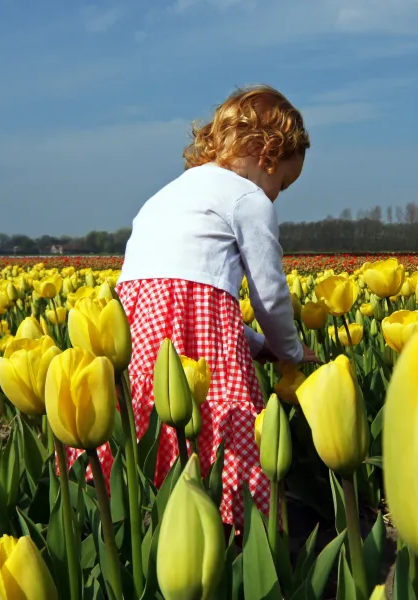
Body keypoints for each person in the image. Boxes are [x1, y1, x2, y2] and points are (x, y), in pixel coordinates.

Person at [68, 85, 319, 528]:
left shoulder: (164, 197)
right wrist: (287, 352)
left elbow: (194, 300)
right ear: (268, 156)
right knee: (222, 419)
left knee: (147, 415)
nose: (278, 194)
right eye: (284, 182)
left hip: (135, 321)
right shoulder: (249, 199)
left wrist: (256, 344)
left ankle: (142, 520)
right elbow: (269, 295)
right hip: (192, 321)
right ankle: (231, 526)